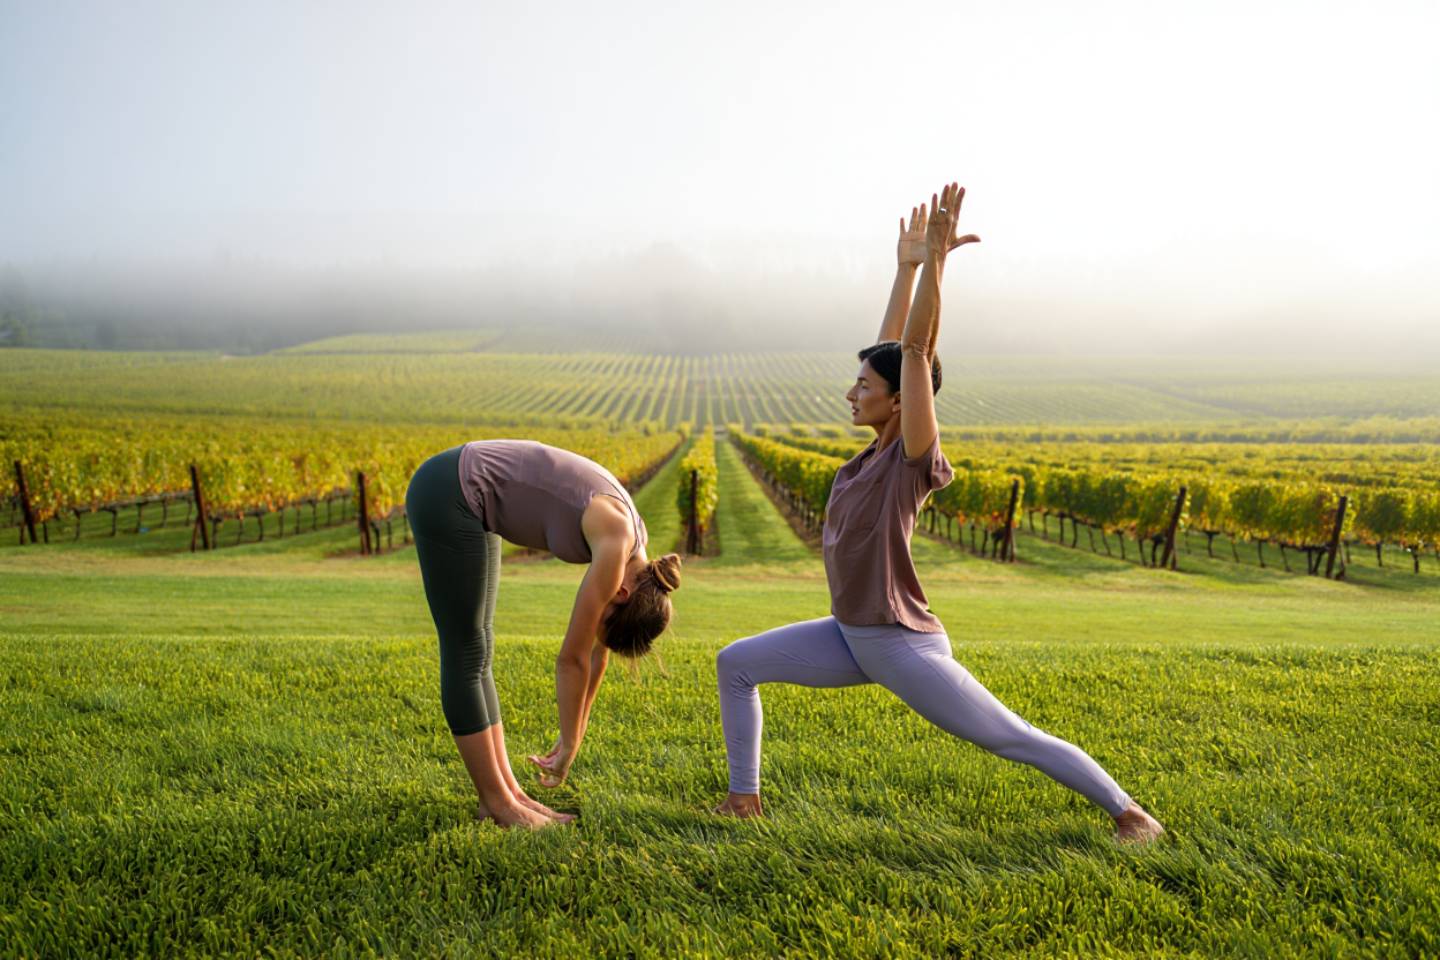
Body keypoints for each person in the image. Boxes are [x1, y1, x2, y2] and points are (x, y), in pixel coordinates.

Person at [712, 183, 1164, 843]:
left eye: (864, 387)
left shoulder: (910, 461)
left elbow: (914, 354)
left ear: (900, 403)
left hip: (899, 645)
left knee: (1010, 738)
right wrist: (905, 268)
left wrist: (938, 266)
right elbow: (895, 352)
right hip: (849, 634)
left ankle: (1131, 814)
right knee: (736, 662)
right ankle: (742, 800)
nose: (851, 392)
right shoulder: (869, 456)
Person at [405, 440, 681, 829]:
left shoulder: (634, 556)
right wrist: (567, 745)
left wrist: (577, 735)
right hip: (448, 490)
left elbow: (596, 655)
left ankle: (508, 793)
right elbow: (573, 658)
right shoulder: (617, 540)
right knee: (466, 650)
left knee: (479, 647)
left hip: (469, 495)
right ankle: (497, 803)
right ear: (620, 595)